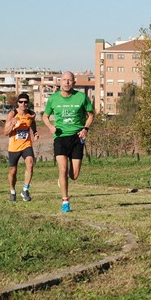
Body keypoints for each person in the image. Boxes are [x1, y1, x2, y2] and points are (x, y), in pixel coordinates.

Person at [42, 71, 94, 212]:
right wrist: (50, 127)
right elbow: (45, 116)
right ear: (60, 82)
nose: (66, 82)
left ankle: (63, 178)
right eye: (64, 80)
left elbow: (90, 115)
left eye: (69, 80)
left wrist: (85, 129)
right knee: (63, 169)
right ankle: (65, 201)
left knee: (74, 175)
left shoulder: (81, 97)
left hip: (77, 137)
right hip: (60, 136)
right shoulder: (53, 99)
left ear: (74, 83)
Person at [4, 92, 38, 202]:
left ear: (28, 103)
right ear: (17, 103)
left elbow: (32, 122)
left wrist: (35, 132)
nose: (23, 104)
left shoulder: (31, 114)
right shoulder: (12, 114)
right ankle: (12, 191)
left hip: (26, 144)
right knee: (13, 171)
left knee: (30, 163)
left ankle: (25, 190)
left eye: (25, 102)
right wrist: (12, 124)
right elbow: (5, 132)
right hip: (14, 146)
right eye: (21, 102)